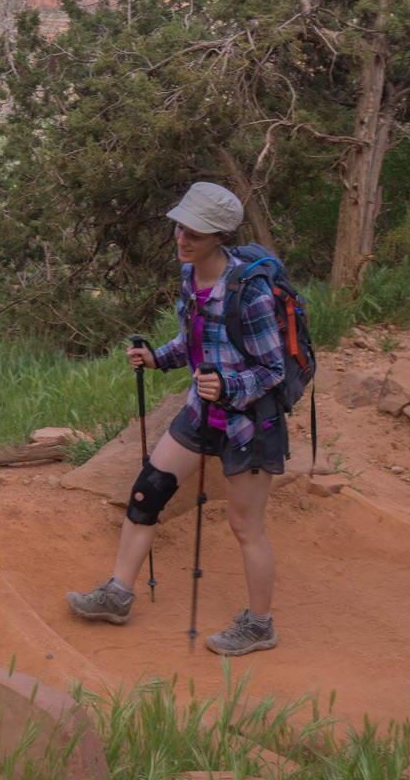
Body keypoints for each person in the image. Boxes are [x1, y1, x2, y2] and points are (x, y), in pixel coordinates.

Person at [66, 181, 286, 656]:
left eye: (196, 233)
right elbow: (194, 340)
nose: (183, 239)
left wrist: (230, 387)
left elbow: (273, 369)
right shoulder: (191, 277)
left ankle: (260, 625)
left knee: (246, 527)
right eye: (180, 228)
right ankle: (117, 595)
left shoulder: (251, 293)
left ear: (218, 237)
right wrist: (157, 358)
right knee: (148, 491)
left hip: (250, 425)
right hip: (199, 412)